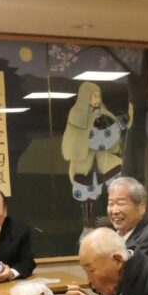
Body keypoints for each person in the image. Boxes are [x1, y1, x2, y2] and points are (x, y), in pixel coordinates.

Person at [62, 81, 133, 234]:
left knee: (117, 184)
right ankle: (88, 225)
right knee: (88, 194)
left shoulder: (102, 112)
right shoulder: (77, 114)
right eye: (93, 96)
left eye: (98, 96)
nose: (96, 99)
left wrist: (118, 126)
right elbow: (85, 139)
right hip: (84, 161)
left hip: (104, 159)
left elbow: (110, 138)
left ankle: (119, 221)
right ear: (85, 97)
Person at [107, 177, 148, 264]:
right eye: (111, 204)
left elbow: (129, 271)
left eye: (121, 204)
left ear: (141, 206)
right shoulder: (110, 234)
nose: (115, 211)